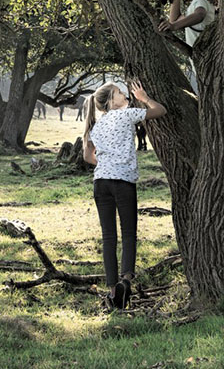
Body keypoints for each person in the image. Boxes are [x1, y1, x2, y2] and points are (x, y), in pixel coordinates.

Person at [82, 80, 167, 310]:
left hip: (101, 182)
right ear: (111, 101)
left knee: (108, 237)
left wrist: (106, 164)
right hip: (123, 182)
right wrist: (144, 97)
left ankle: (112, 293)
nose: (125, 94)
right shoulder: (126, 114)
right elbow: (160, 111)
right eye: (120, 92)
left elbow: (88, 156)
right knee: (128, 233)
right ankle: (125, 282)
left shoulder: (96, 126)